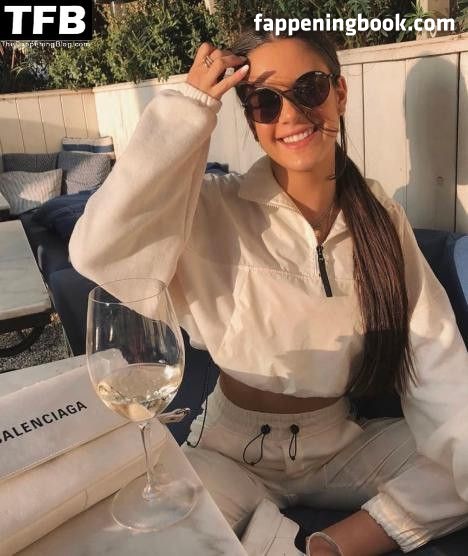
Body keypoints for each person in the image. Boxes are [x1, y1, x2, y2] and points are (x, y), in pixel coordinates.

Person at [69, 29, 468, 556]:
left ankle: (326, 546)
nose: (292, 114)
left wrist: (341, 541)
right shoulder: (210, 209)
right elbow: (100, 253)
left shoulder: (381, 220)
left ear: (339, 93)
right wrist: (188, 109)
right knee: (139, 535)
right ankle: (272, 540)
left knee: (462, 465)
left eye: (310, 88)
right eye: (265, 101)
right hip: (229, 453)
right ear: (250, 117)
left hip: (340, 445)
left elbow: (437, 357)